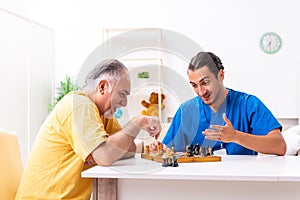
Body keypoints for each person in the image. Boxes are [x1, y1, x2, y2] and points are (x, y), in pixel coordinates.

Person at [16, 59, 161, 200]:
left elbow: (128, 149)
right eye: (122, 94)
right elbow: (104, 156)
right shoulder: (80, 105)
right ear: (102, 87)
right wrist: (137, 122)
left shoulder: (103, 113)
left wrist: (113, 147)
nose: (124, 103)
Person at [151, 51, 286, 156]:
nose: (200, 91)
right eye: (194, 85)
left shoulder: (249, 105)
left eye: (205, 83)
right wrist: (160, 149)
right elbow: (170, 150)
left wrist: (236, 137)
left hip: (241, 183)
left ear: (220, 75)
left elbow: (280, 146)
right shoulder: (186, 111)